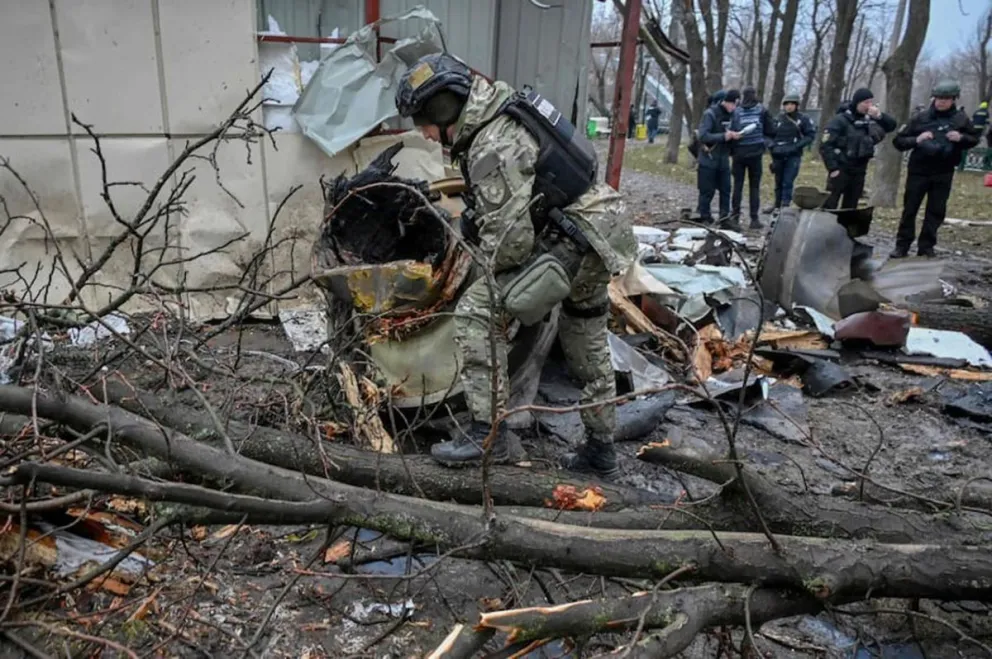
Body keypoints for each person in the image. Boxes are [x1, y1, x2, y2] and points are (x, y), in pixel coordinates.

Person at [394, 53, 636, 478]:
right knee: (584, 332)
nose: (425, 134)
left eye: (423, 121)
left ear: (443, 108)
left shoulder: (493, 145)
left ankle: (488, 437)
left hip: (572, 239)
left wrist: (473, 269)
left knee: (476, 313)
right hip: (601, 232)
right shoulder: (502, 113)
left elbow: (510, 245)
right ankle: (601, 450)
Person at [890, 80, 979, 258]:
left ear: (954, 99)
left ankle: (927, 246)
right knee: (910, 209)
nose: (941, 102)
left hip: (944, 172)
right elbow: (898, 141)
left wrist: (960, 138)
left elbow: (974, 138)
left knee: (936, 211)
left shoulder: (960, 119)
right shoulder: (920, 118)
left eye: (946, 99)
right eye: (938, 98)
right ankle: (902, 245)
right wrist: (917, 139)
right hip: (919, 171)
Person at [819, 87, 897, 210]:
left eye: (871, 102)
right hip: (841, 167)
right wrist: (833, 168)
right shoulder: (840, 120)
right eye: (866, 102)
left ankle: (845, 228)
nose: (869, 106)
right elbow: (825, 145)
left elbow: (891, 125)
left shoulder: (869, 120)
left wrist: (879, 116)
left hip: (859, 169)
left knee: (851, 205)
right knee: (830, 202)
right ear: (857, 103)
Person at [729, 86, 775, 229]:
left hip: (739, 154)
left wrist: (733, 150)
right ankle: (754, 219)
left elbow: (732, 131)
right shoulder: (761, 110)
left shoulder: (736, 111)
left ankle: (735, 217)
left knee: (737, 185)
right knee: (754, 187)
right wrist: (764, 144)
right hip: (755, 154)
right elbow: (771, 130)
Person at [695, 88, 741, 224]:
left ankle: (724, 217)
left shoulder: (734, 116)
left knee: (726, 189)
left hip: (724, 159)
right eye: (732, 104)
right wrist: (723, 136)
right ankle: (705, 216)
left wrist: (736, 135)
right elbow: (703, 135)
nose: (733, 108)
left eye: (736, 105)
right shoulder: (710, 114)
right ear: (725, 102)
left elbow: (736, 129)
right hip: (709, 158)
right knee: (706, 191)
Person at [768, 92, 815, 211]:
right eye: (786, 104)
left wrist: (796, 146)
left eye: (792, 104)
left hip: (793, 155)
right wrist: (772, 146)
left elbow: (810, 135)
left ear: (796, 105)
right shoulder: (778, 119)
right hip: (778, 155)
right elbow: (769, 135)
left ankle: (785, 205)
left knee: (787, 181)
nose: (789, 106)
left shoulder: (802, 119)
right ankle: (777, 205)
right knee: (778, 182)